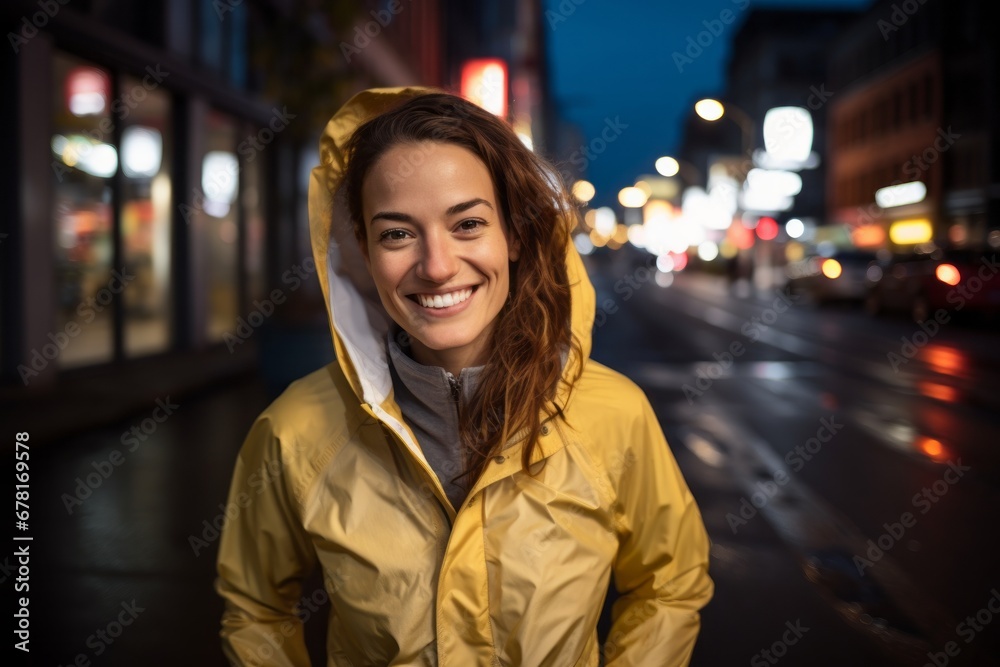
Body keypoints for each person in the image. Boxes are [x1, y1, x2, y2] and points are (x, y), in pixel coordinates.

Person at [215, 86, 713, 666]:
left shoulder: (614, 415)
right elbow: (255, 610)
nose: (437, 265)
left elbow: (669, 585)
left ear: (517, 235)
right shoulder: (295, 430)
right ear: (363, 253)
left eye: (468, 224)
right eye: (397, 233)